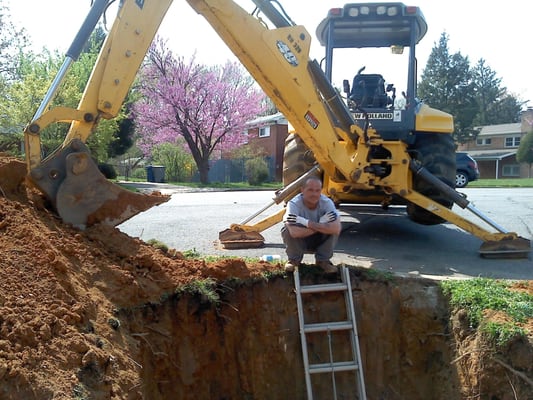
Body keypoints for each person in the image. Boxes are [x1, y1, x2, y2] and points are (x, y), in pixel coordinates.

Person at [281, 176, 341, 273]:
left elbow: (336, 228)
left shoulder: (327, 203)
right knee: (286, 230)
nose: (314, 194)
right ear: (302, 190)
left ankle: (323, 261)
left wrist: (307, 223)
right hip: (300, 240)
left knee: (332, 231)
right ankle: (294, 260)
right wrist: (321, 225)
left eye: (317, 190)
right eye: (310, 190)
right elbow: (294, 232)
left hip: (319, 239)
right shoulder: (294, 204)